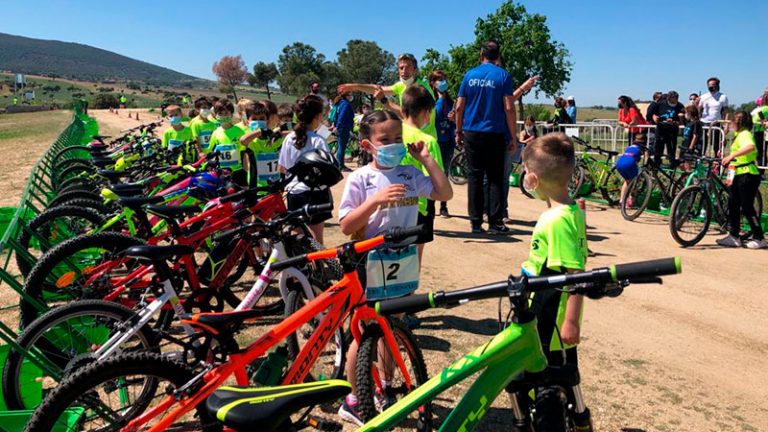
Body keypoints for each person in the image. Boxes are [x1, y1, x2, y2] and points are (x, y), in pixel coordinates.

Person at [337, 110, 452, 425]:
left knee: (392, 328)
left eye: (398, 139)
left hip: (402, 262)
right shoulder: (360, 178)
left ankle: (385, 386)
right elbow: (346, 225)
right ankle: (354, 398)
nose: (394, 145)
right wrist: (375, 201)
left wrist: (427, 160)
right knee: (364, 332)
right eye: (385, 140)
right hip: (369, 262)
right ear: (367, 144)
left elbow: (445, 192)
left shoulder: (410, 173)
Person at [507, 133, 590, 431]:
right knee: (555, 369)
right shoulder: (571, 210)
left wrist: (571, 321)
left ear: (532, 178)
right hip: (548, 305)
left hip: (552, 314)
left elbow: (575, 272)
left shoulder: (555, 221)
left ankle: (556, 417)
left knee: (549, 373)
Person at [455, 40, 517, 234]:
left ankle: (475, 222)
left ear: (481, 55)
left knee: (474, 176)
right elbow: (509, 108)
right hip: (495, 133)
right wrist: (513, 136)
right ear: (498, 56)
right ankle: (495, 222)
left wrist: (458, 131)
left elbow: (458, 107)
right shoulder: (503, 76)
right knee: (495, 178)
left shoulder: (469, 76)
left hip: (472, 132)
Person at [337, 53, 437, 139]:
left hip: (425, 140)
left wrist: (385, 101)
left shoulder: (422, 89)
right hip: (410, 139)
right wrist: (355, 86)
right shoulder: (401, 86)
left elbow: (409, 116)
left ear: (415, 69)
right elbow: (377, 89)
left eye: (408, 67)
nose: (404, 71)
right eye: (401, 68)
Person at [278, 95, 333, 244]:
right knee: (317, 238)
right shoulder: (318, 140)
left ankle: (301, 265)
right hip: (315, 193)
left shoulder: (289, 138)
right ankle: (320, 266)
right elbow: (327, 168)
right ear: (318, 116)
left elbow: (282, 167)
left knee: (297, 236)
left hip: (294, 192)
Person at [400, 85, 444, 267]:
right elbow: (436, 180)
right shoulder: (428, 141)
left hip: (394, 205)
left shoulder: (392, 134)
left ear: (403, 109)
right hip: (420, 208)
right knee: (412, 264)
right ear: (427, 113)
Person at [717, 112, 766, 249]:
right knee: (733, 204)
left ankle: (759, 237)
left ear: (738, 122)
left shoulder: (745, 134)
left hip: (747, 174)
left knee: (747, 207)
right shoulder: (739, 135)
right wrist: (726, 157)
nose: (731, 124)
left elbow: (750, 147)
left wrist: (732, 155)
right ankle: (734, 236)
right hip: (737, 172)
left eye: (733, 121)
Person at [429, 70, 456, 218]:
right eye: (439, 79)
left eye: (444, 79)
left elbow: (456, 121)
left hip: (447, 142)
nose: (443, 82)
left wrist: (454, 120)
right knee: (433, 174)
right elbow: (435, 116)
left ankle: (443, 205)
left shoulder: (450, 102)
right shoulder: (431, 101)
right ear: (433, 83)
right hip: (434, 142)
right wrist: (440, 99)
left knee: (444, 174)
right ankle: (431, 204)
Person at [209, 99, 249, 186]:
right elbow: (212, 153)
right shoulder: (215, 133)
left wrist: (246, 170)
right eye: (220, 114)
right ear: (216, 115)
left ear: (231, 114)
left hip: (238, 171)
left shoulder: (239, 132)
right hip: (222, 173)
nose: (223, 116)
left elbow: (245, 152)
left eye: (226, 113)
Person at [240, 102, 280, 187]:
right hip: (257, 186)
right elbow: (243, 140)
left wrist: (281, 129)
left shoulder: (272, 136)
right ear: (248, 122)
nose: (258, 121)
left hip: (275, 184)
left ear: (267, 120)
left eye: (262, 118)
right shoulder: (250, 137)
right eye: (254, 119)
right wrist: (261, 131)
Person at [651, 91, 685, 166]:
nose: (674, 100)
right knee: (658, 149)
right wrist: (655, 118)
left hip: (672, 131)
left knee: (671, 150)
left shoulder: (680, 106)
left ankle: (671, 168)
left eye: (675, 98)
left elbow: (682, 122)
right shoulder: (660, 104)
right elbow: (653, 114)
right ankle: (656, 166)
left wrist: (676, 121)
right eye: (672, 98)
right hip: (661, 129)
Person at [698, 77, 729, 155]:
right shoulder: (703, 97)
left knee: (716, 144)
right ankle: (700, 160)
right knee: (702, 143)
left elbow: (726, 112)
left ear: (717, 85)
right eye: (709, 85)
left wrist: (726, 125)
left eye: (713, 85)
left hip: (716, 122)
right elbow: (699, 109)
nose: (711, 87)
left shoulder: (723, 97)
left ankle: (717, 162)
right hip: (704, 122)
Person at [615, 133, 647, 207]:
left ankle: (621, 201)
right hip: (630, 163)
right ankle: (631, 200)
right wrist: (645, 165)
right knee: (635, 180)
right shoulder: (643, 148)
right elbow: (646, 157)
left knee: (627, 181)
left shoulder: (630, 146)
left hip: (619, 163)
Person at [333, 92, 355, 171]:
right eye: (350, 95)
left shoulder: (340, 104)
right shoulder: (345, 104)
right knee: (342, 147)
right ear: (346, 96)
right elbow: (342, 116)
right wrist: (338, 126)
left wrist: (336, 126)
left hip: (341, 127)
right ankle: (340, 166)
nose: (351, 96)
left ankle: (340, 164)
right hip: (343, 128)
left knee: (340, 146)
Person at [680, 105, 703, 170]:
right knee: (681, 164)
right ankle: (684, 177)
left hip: (691, 146)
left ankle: (691, 178)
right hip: (685, 144)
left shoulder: (696, 123)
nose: (685, 114)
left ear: (690, 113)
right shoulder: (688, 122)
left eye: (686, 113)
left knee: (687, 163)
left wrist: (691, 147)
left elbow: (695, 136)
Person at [750, 91, 768, 169]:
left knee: (760, 152)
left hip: (759, 132)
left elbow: (753, 119)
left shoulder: (757, 110)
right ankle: (761, 169)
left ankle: (761, 169)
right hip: (760, 132)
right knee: (761, 152)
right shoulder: (760, 110)